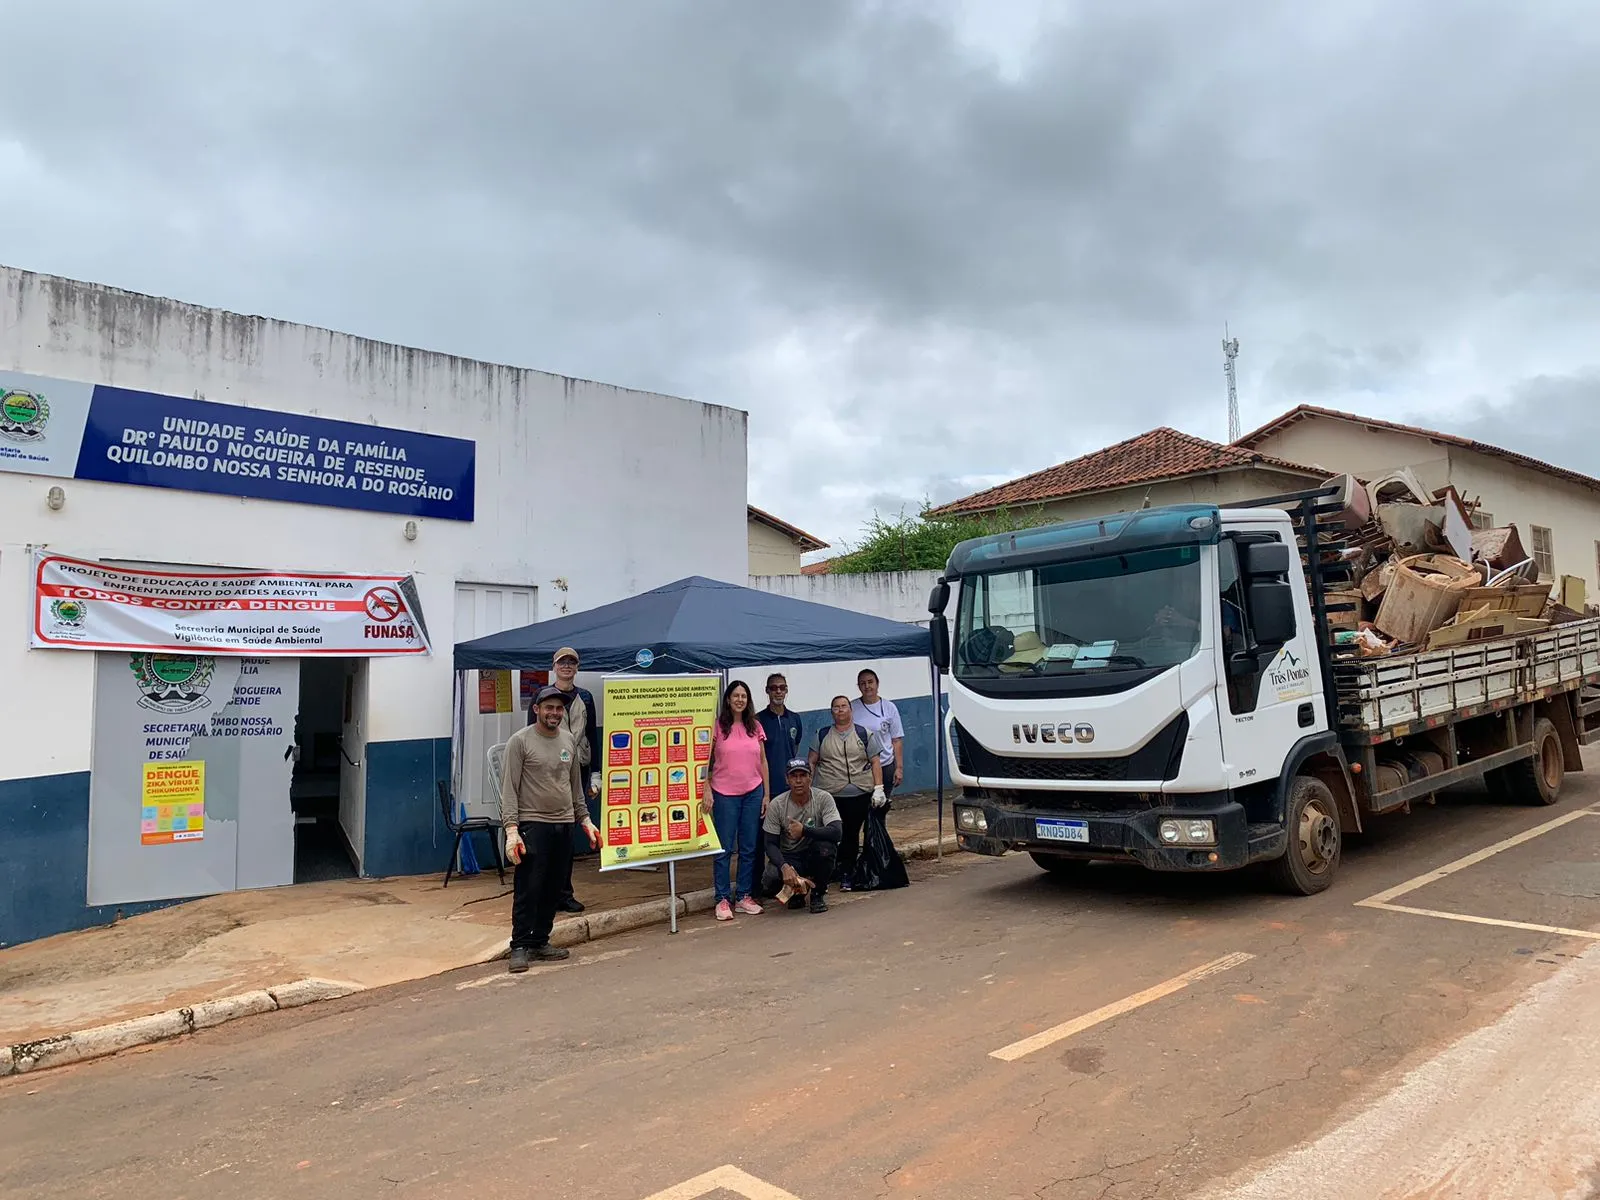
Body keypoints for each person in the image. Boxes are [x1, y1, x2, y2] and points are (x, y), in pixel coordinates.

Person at [502, 686, 601, 973]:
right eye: (549, 708)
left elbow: (574, 788)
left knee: (553, 888)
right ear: (537, 709)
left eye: (559, 709)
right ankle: (519, 946)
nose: (554, 713)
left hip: (565, 824)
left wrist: (585, 820)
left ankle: (540, 941)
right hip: (534, 825)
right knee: (528, 888)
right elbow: (510, 789)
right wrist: (511, 830)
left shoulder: (569, 741)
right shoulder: (520, 742)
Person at [527, 646, 600, 914]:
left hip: (576, 769)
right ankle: (543, 894)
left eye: (571, 663)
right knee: (545, 833)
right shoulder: (543, 696)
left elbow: (592, 735)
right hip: (546, 772)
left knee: (568, 834)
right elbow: (529, 735)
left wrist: (596, 773)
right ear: (554, 666)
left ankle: (564, 893)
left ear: (577, 667)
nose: (566, 667)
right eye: (562, 663)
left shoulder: (586, 698)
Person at [706, 679, 771, 921]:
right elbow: (706, 763)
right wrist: (706, 789)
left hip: (753, 793)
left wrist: (766, 794)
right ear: (728, 699)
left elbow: (763, 761)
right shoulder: (717, 727)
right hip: (724, 794)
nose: (740, 699)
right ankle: (722, 899)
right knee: (723, 848)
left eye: (744, 696)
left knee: (749, 848)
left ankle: (743, 896)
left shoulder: (755, 726)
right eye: (736, 695)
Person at [808, 695, 885, 890]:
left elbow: (875, 761)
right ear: (831, 712)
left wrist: (879, 788)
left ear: (851, 710)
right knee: (833, 833)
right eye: (836, 707)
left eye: (844, 706)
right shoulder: (822, 734)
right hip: (831, 795)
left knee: (851, 835)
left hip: (859, 794)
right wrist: (808, 790)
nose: (840, 710)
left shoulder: (863, 734)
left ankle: (847, 873)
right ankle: (831, 868)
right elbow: (812, 762)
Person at [761, 759, 842, 914]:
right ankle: (797, 893)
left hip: (813, 852)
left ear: (810, 778)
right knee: (770, 878)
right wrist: (784, 867)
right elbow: (769, 844)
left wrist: (804, 831)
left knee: (826, 848)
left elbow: (836, 831)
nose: (798, 781)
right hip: (791, 856)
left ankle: (818, 894)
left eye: (803, 775)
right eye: (794, 776)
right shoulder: (777, 805)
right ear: (787, 779)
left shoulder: (823, 798)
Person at [852, 669, 905, 796]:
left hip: (885, 765)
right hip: (861, 767)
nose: (867, 686)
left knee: (881, 805)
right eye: (863, 683)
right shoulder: (851, 707)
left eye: (870, 682)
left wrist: (899, 768)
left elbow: (896, 740)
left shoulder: (889, 707)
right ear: (859, 686)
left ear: (877, 683)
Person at [756, 673, 804, 800]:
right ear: (767, 691)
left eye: (782, 688)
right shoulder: (757, 720)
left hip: (790, 785)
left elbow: (796, 746)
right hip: (766, 787)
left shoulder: (795, 718)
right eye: (774, 688)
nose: (778, 691)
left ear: (786, 690)